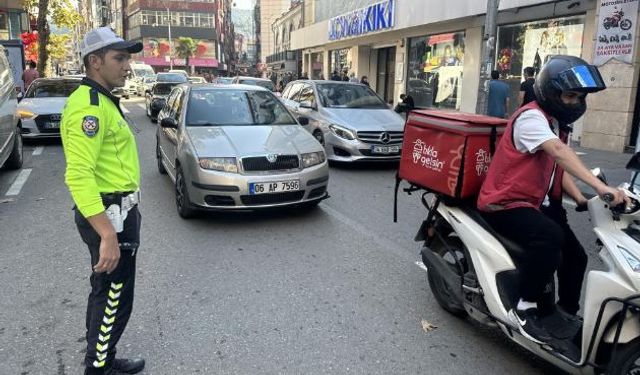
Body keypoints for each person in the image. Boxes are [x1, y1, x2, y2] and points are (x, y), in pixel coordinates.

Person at [477, 55, 627, 345]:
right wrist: (599, 188)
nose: (574, 103)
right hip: (504, 202)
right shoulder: (531, 117)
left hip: (534, 201)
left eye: (579, 98)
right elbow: (558, 152)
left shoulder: (556, 123)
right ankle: (525, 306)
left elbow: (557, 168)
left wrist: (581, 198)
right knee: (550, 237)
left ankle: (565, 313)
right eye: (569, 95)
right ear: (550, 91)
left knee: (576, 256)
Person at [60, 27, 146, 375]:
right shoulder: (89, 109)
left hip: (118, 210)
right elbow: (78, 175)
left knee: (108, 291)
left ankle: (103, 358)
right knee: (113, 297)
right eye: (120, 58)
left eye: (128, 57)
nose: (128, 66)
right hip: (109, 215)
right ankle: (98, 369)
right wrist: (107, 234)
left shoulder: (103, 100)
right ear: (95, 62)